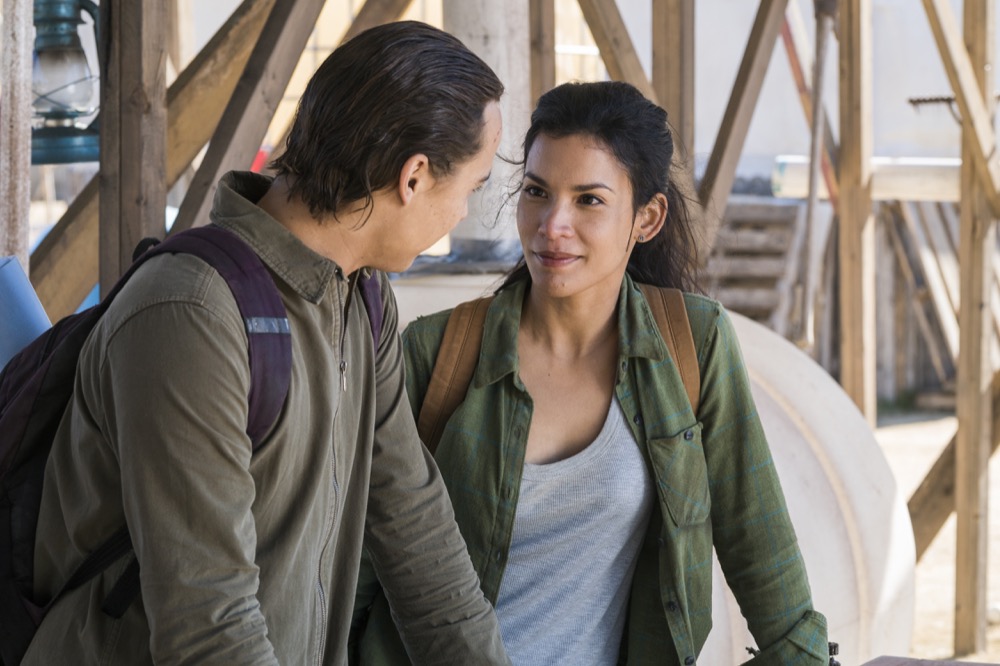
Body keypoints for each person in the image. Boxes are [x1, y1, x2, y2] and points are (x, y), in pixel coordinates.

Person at [24, 21, 510, 665]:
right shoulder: (191, 314)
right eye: (471, 189)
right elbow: (210, 627)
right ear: (414, 176)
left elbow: (417, 533)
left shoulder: (360, 298)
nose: (463, 215)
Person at [352, 81, 829, 665]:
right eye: (536, 191)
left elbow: (759, 546)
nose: (553, 224)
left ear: (647, 217)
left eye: (589, 200)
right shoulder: (439, 352)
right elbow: (360, 571)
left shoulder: (693, 345)